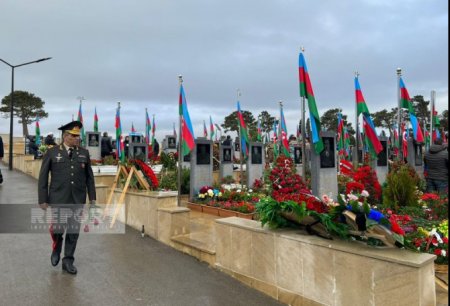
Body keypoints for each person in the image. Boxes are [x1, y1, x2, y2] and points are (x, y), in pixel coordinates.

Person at [38, 120, 96, 275]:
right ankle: (57, 246)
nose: (77, 138)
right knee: (57, 229)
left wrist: (93, 199)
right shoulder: (52, 152)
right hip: (58, 198)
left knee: (73, 231)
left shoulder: (84, 153)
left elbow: (89, 178)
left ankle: (68, 260)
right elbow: (43, 177)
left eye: (78, 136)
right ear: (65, 136)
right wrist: (43, 199)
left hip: (77, 198)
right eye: (73, 135)